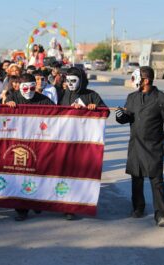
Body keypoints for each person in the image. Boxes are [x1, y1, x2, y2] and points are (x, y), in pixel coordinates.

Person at [115, 66, 164, 228]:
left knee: (157, 180)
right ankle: (138, 207)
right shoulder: (131, 97)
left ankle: (161, 215)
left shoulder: (162, 99)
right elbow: (126, 118)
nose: (133, 81)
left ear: (145, 80)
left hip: (153, 146)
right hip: (135, 145)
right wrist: (120, 117)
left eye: (136, 78)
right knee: (136, 177)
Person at [57, 66, 107, 220]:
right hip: (66, 142)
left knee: (81, 174)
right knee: (66, 174)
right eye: (68, 80)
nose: (70, 84)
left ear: (81, 81)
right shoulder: (63, 95)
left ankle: (79, 204)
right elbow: (55, 114)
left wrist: (94, 108)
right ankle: (66, 206)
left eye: (74, 81)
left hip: (85, 144)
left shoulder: (92, 95)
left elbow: (105, 111)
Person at [5, 73, 54, 221]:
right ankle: (21, 210)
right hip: (19, 144)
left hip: (39, 144)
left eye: (32, 88)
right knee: (20, 175)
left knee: (38, 174)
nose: (29, 91)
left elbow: (60, 115)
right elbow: (0, 117)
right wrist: (6, 106)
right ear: (19, 87)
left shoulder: (44, 100)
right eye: (25, 88)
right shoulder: (12, 97)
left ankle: (37, 203)